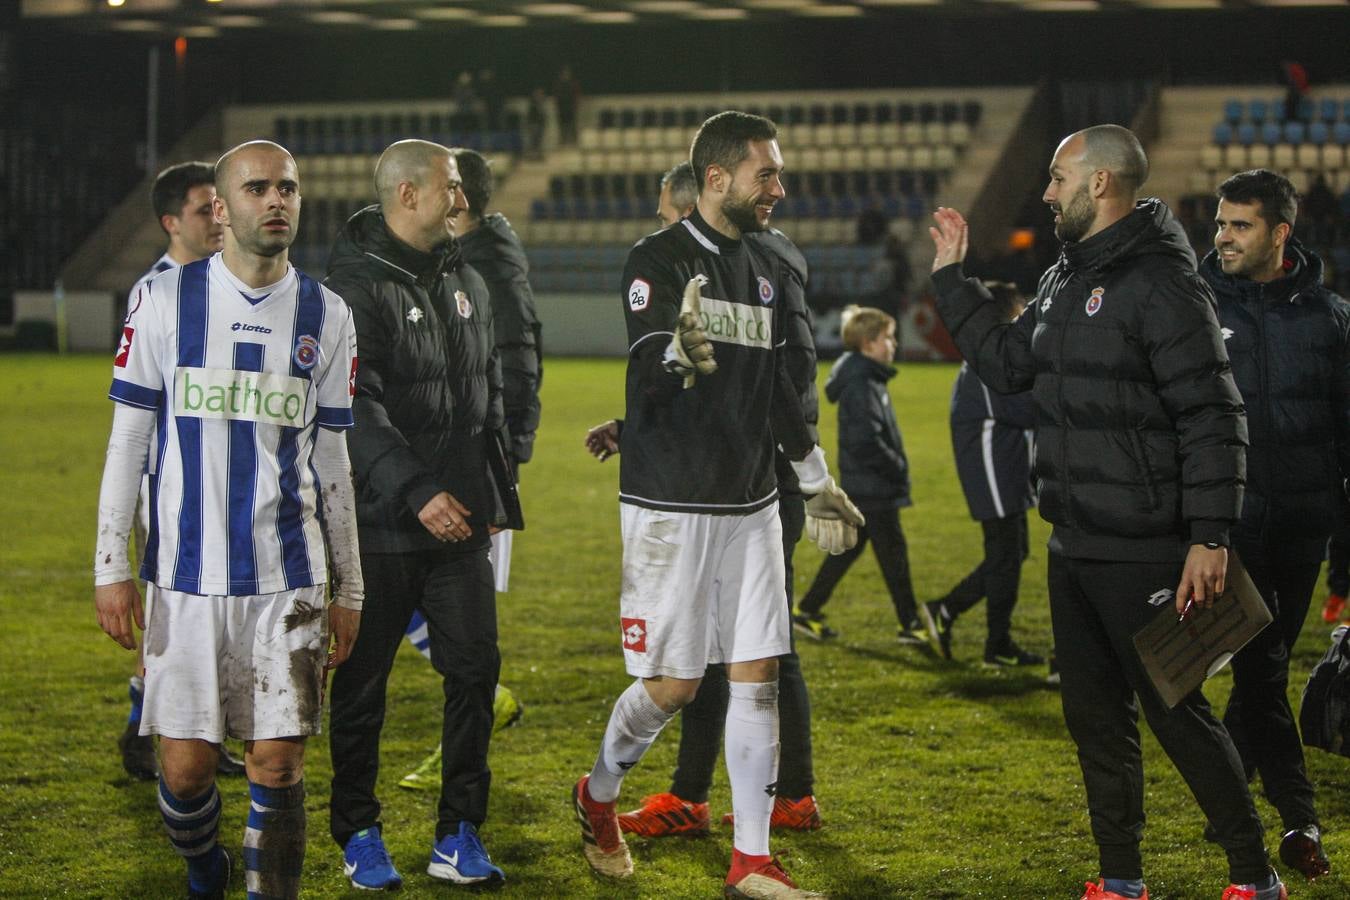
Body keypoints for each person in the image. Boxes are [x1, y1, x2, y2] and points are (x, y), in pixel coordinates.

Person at [928, 125, 1286, 900]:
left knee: (1179, 719)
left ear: (1101, 185)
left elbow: (1213, 415)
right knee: (1097, 728)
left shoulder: (1162, 283)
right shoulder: (1064, 275)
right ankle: (1121, 879)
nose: (1046, 193)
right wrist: (954, 281)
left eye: (1057, 179)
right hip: (1073, 542)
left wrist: (1209, 537)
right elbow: (1010, 365)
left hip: (1147, 550)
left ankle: (1254, 877)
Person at [571, 111, 861, 900]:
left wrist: (814, 476)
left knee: (757, 676)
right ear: (718, 178)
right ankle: (598, 794)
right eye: (767, 174)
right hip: (671, 502)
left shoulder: (768, 266)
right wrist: (674, 351)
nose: (781, 189)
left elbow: (776, 390)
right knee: (675, 688)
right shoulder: (656, 258)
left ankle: (752, 863)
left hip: (753, 501)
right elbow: (642, 365)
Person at [93, 140, 363, 900]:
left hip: (292, 579)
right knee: (185, 772)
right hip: (185, 578)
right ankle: (205, 868)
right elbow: (129, 438)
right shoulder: (163, 301)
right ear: (221, 207)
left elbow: (336, 461)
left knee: (279, 765)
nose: (275, 200)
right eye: (256, 188)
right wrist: (112, 566)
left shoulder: (327, 312)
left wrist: (352, 587)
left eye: (287, 188)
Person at [325, 139, 520, 891]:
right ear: (407, 196)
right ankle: (360, 833)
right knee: (363, 686)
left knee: (474, 671)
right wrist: (416, 490)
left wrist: (495, 494)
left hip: (463, 523)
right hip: (379, 523)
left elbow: (487, 393)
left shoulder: (465, 273)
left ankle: (458, 833)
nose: (462, 195)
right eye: (448, 185)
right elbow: (353, 406)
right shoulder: (352, 287)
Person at [1200, 168, 1350, 880]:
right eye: (1220, 223)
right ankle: (1299, 819)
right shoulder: (1192, 306)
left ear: (1280, 233)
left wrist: (1344, 555)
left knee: (1264, 668)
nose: (1222, 237)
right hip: (1226, 527)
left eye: (1239, 225)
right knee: (1262, 673)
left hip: (1302, 525)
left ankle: (1224, 793)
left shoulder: (1329, 318)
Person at [396, 146, 539, 792]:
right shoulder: (476, 258)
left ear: (457, 199)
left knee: (447, 610)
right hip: (459, 456)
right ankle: (476, 723)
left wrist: (505, 456)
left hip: (477, 462)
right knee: (409, 590)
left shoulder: (485, 268)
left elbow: (512, 364)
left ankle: (471, 743)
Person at [117, 160, 241, 783]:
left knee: (211, 613)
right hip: (169, 487)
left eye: (220, 205)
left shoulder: (223, 283)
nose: (217, 217)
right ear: (171, 222)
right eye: (202, 209)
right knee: (176, 616)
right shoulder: (156, 292)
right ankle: (147, 734)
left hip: (217, 484)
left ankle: (197, 736)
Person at [793, 305, 935, 647]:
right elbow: (865, 439)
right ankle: (910, 623)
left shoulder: (866, 376)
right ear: (869, 344)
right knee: (893, 553)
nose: (894, 345)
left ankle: (807, 610)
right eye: (888, 338)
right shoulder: (861, 381)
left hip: (868, 482)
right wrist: (896, 467)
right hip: (874, 484)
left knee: (854, 548)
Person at [924, 281, 1043, 667]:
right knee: (1005, 555)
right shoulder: (991, 356)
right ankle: (957, 616)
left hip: (1004, 466)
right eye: (1022, 309)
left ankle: (993, 640)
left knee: (1011, 553)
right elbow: (1024, 410)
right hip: (991, 470)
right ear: (1010, 312)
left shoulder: (995, 351)